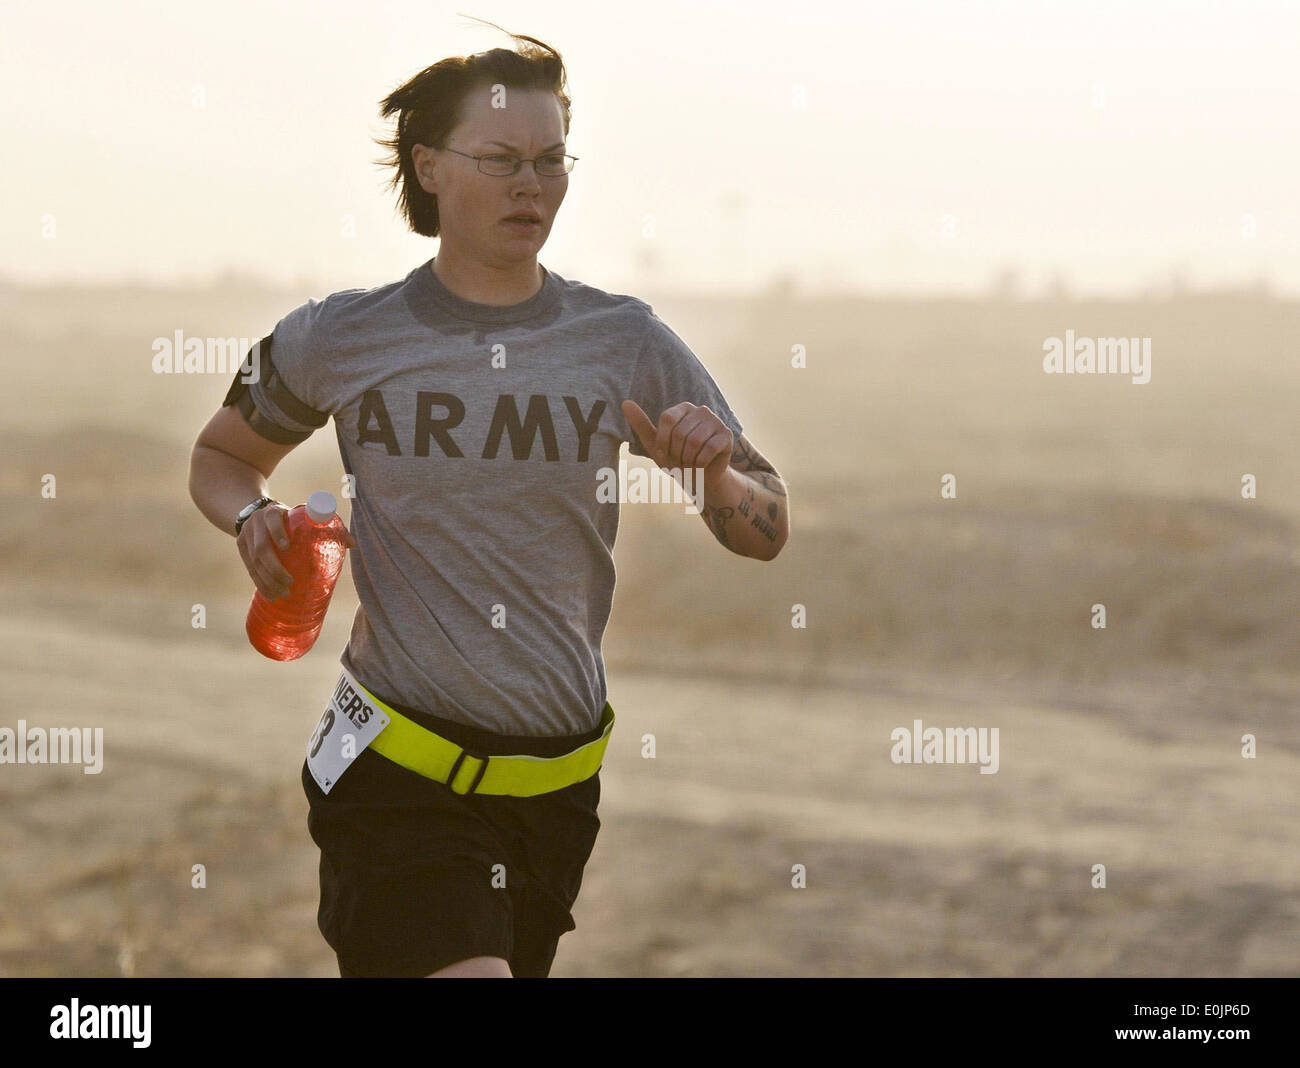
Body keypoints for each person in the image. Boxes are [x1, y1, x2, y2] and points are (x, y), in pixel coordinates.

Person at [187, 23, 789, 978]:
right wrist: (251, 516)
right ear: (429, 167)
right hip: (396, 781)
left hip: (557, 794)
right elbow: (221, 455)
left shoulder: (622, 339)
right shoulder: (340, 335)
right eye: (502, 159)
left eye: (552, 161)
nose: (532, 186)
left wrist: (715, 476)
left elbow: (767, 528)